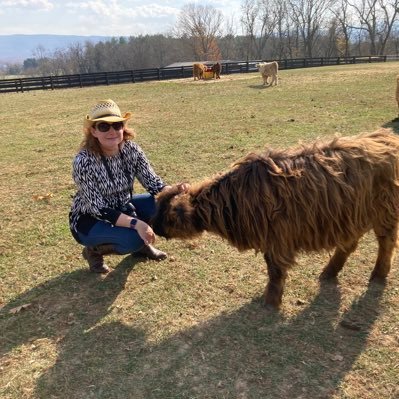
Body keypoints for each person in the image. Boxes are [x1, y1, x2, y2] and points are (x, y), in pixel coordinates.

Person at [69, 99, 181, 273]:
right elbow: (99, 209)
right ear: (93, 131)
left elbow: (153, 183)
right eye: (104, 126)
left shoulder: (132, 150)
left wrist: (175, 192)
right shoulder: (83, 162)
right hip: (89, 219)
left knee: (165, 206)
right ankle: (93, 250)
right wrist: (137, 223)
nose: (112, 131)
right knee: (133, 238)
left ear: (123, 127)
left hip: (123, 206)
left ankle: (142, 248)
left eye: (117, 125)